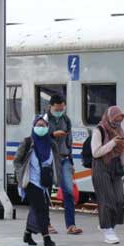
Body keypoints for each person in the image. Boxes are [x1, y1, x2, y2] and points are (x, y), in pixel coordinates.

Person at [14, 118, 62, 246]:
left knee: (36, 209)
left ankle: (27, 234)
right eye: (38, 125)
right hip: (31, 181)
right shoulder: (27, 142)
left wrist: (57, 177)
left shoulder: (51, 144)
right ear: (33, 126)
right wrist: (21, 174)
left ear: (47, 128)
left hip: (46, 182)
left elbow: (56, 161)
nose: (41, 128)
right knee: (42, 209)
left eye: (43, 125)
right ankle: (47, 238)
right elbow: (17, 161)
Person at [91, 106, 124, 244]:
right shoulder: (99, 130)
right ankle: (108, 230)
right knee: (107, 200)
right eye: (115, 120)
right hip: (101, 167)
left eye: (120, 120)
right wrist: (112, 143)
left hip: (116, 168)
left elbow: (123, 152)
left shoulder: (119, 131)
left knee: (119, 200)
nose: (117, 123)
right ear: (109, 117)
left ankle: (109, 225)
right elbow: (96, 152)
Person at [43, 94, 82, 235]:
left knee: (68, 191)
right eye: (57, 109)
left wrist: (71, 161)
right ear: (50, 106)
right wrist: (52, 135)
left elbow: (69, 142)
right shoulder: (43, 120)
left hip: (64, 158)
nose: (60, 111)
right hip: (48, 159)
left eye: (62, 108)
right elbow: (37, 138)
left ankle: (71, 225)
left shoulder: (66, 120)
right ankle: (46, 224)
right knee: (46, 191)